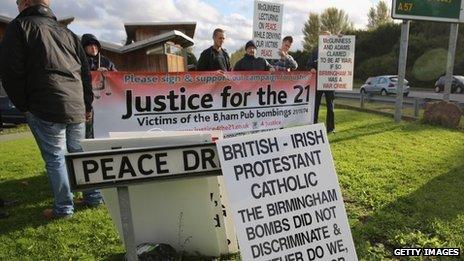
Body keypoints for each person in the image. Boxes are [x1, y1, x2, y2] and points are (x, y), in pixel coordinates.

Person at [0, 0, 102, 219]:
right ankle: (93, 196)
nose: (17, 6)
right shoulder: (68, 32)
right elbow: (85, 73)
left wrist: (23, 105)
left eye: (18, 2)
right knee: (78, 153)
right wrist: (86, 103)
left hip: (44, 103)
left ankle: (64, 208)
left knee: (56, 157)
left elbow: (10, 71)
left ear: (25, 3)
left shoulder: (19, 27)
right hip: (75, 103)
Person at [81, 33, 116, 139]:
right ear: (83, 47)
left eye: (95, 45)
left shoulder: (106, 61)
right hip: (84, 103)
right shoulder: (78, 61)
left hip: (104, 104)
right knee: (85, 134)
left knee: (102, 132)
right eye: (90, 45)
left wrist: (109, 73)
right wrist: (94, 73)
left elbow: (117, 78)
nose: (93, 48)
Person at [307, 31, 335, 133]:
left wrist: (341, 39)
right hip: (317, 82)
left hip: (329, 82)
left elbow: (345, 54)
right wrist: (311, 69)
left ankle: (330, 128)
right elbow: (309, 64)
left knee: (330, 106)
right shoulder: (315, 51)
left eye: (328, 37)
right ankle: (314, 126)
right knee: (315, 105)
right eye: (324, 37)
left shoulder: (334, 50)